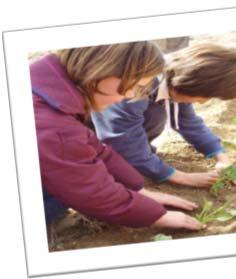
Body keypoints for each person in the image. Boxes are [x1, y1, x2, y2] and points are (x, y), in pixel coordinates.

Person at [31, 42, 204, 230]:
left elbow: (97, 150)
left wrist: (138, 189)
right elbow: (89, 191)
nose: (129, 94)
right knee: (59, 195)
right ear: (100, 68)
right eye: (131, 84)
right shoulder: (51, 124)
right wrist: (156, 216)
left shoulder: (49, 91)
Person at [92, 43, 236, 187]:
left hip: (119, 132)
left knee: (156, 116)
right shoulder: (135, 89)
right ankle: (105, 160)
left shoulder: (174, 79)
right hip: (88, 138)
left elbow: (187, 121)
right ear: (191, 83)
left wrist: (221, 157)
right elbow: (125, 141)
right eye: (206, 96)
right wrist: (181, 177)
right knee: (155, 117)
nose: (204, 102)